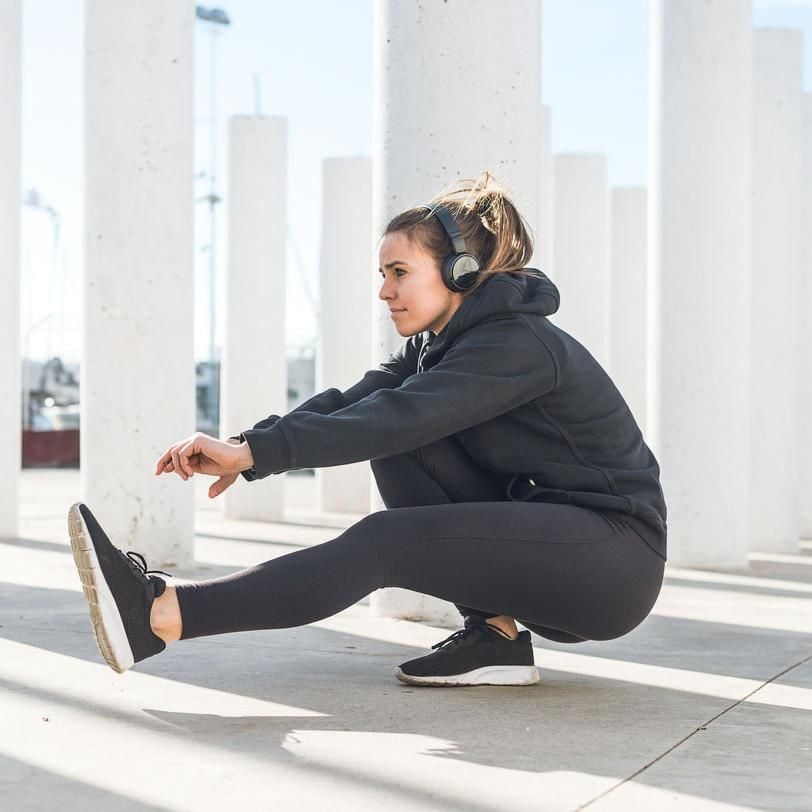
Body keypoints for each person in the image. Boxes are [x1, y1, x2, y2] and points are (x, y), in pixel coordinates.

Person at [67, 171, 667, 687]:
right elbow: (358, 403)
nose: (384, 291)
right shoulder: (440, 347)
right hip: (560, 536)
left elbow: (396, 417)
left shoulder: (517, 345)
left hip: (615, 560)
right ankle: (496, 639)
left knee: (386, 539)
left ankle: (160, 616)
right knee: (404, 446)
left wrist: (257, 455)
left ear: (459, 272)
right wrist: (247, 447)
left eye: (400, 271)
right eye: (384, 274)